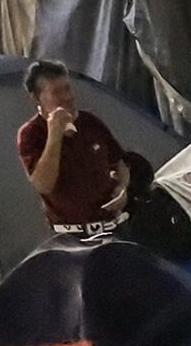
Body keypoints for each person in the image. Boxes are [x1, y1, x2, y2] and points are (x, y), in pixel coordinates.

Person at [16, 59, 148, 235]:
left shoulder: (90, 122)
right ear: (36, 98)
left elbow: (120, 163)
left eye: (68, 89)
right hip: (72, 236)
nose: (67, 97)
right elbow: (43, 185)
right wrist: (54, 135)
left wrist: (122, 188)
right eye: (56, 92)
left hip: (114, 227)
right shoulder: (31, 134)